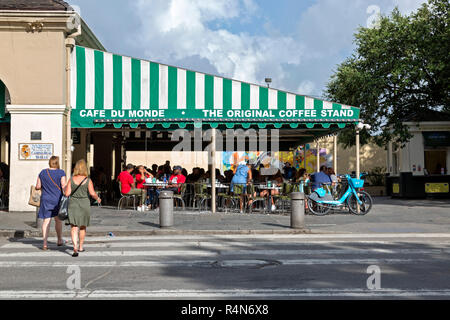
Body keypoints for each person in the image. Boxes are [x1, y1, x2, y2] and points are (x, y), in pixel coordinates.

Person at [64, 160, 101, 257]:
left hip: (73, 204)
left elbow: (67, 194)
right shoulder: (88, 180)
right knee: (83, 226)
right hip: (84, 203)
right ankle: (80, 247)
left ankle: (74, 247)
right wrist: (98, 198)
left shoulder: (71, 179)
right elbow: (92, 193)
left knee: (74, 227)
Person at [35, 156, 67, 251]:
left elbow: (38, 186)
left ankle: (45, 243)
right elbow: (63, 186)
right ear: (57, 163)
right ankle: (59, 240)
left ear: (49, 162)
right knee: (58, 220)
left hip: (46, 199)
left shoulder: (43, 172)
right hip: (57, 200)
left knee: (46, 221)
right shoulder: (61, 172)